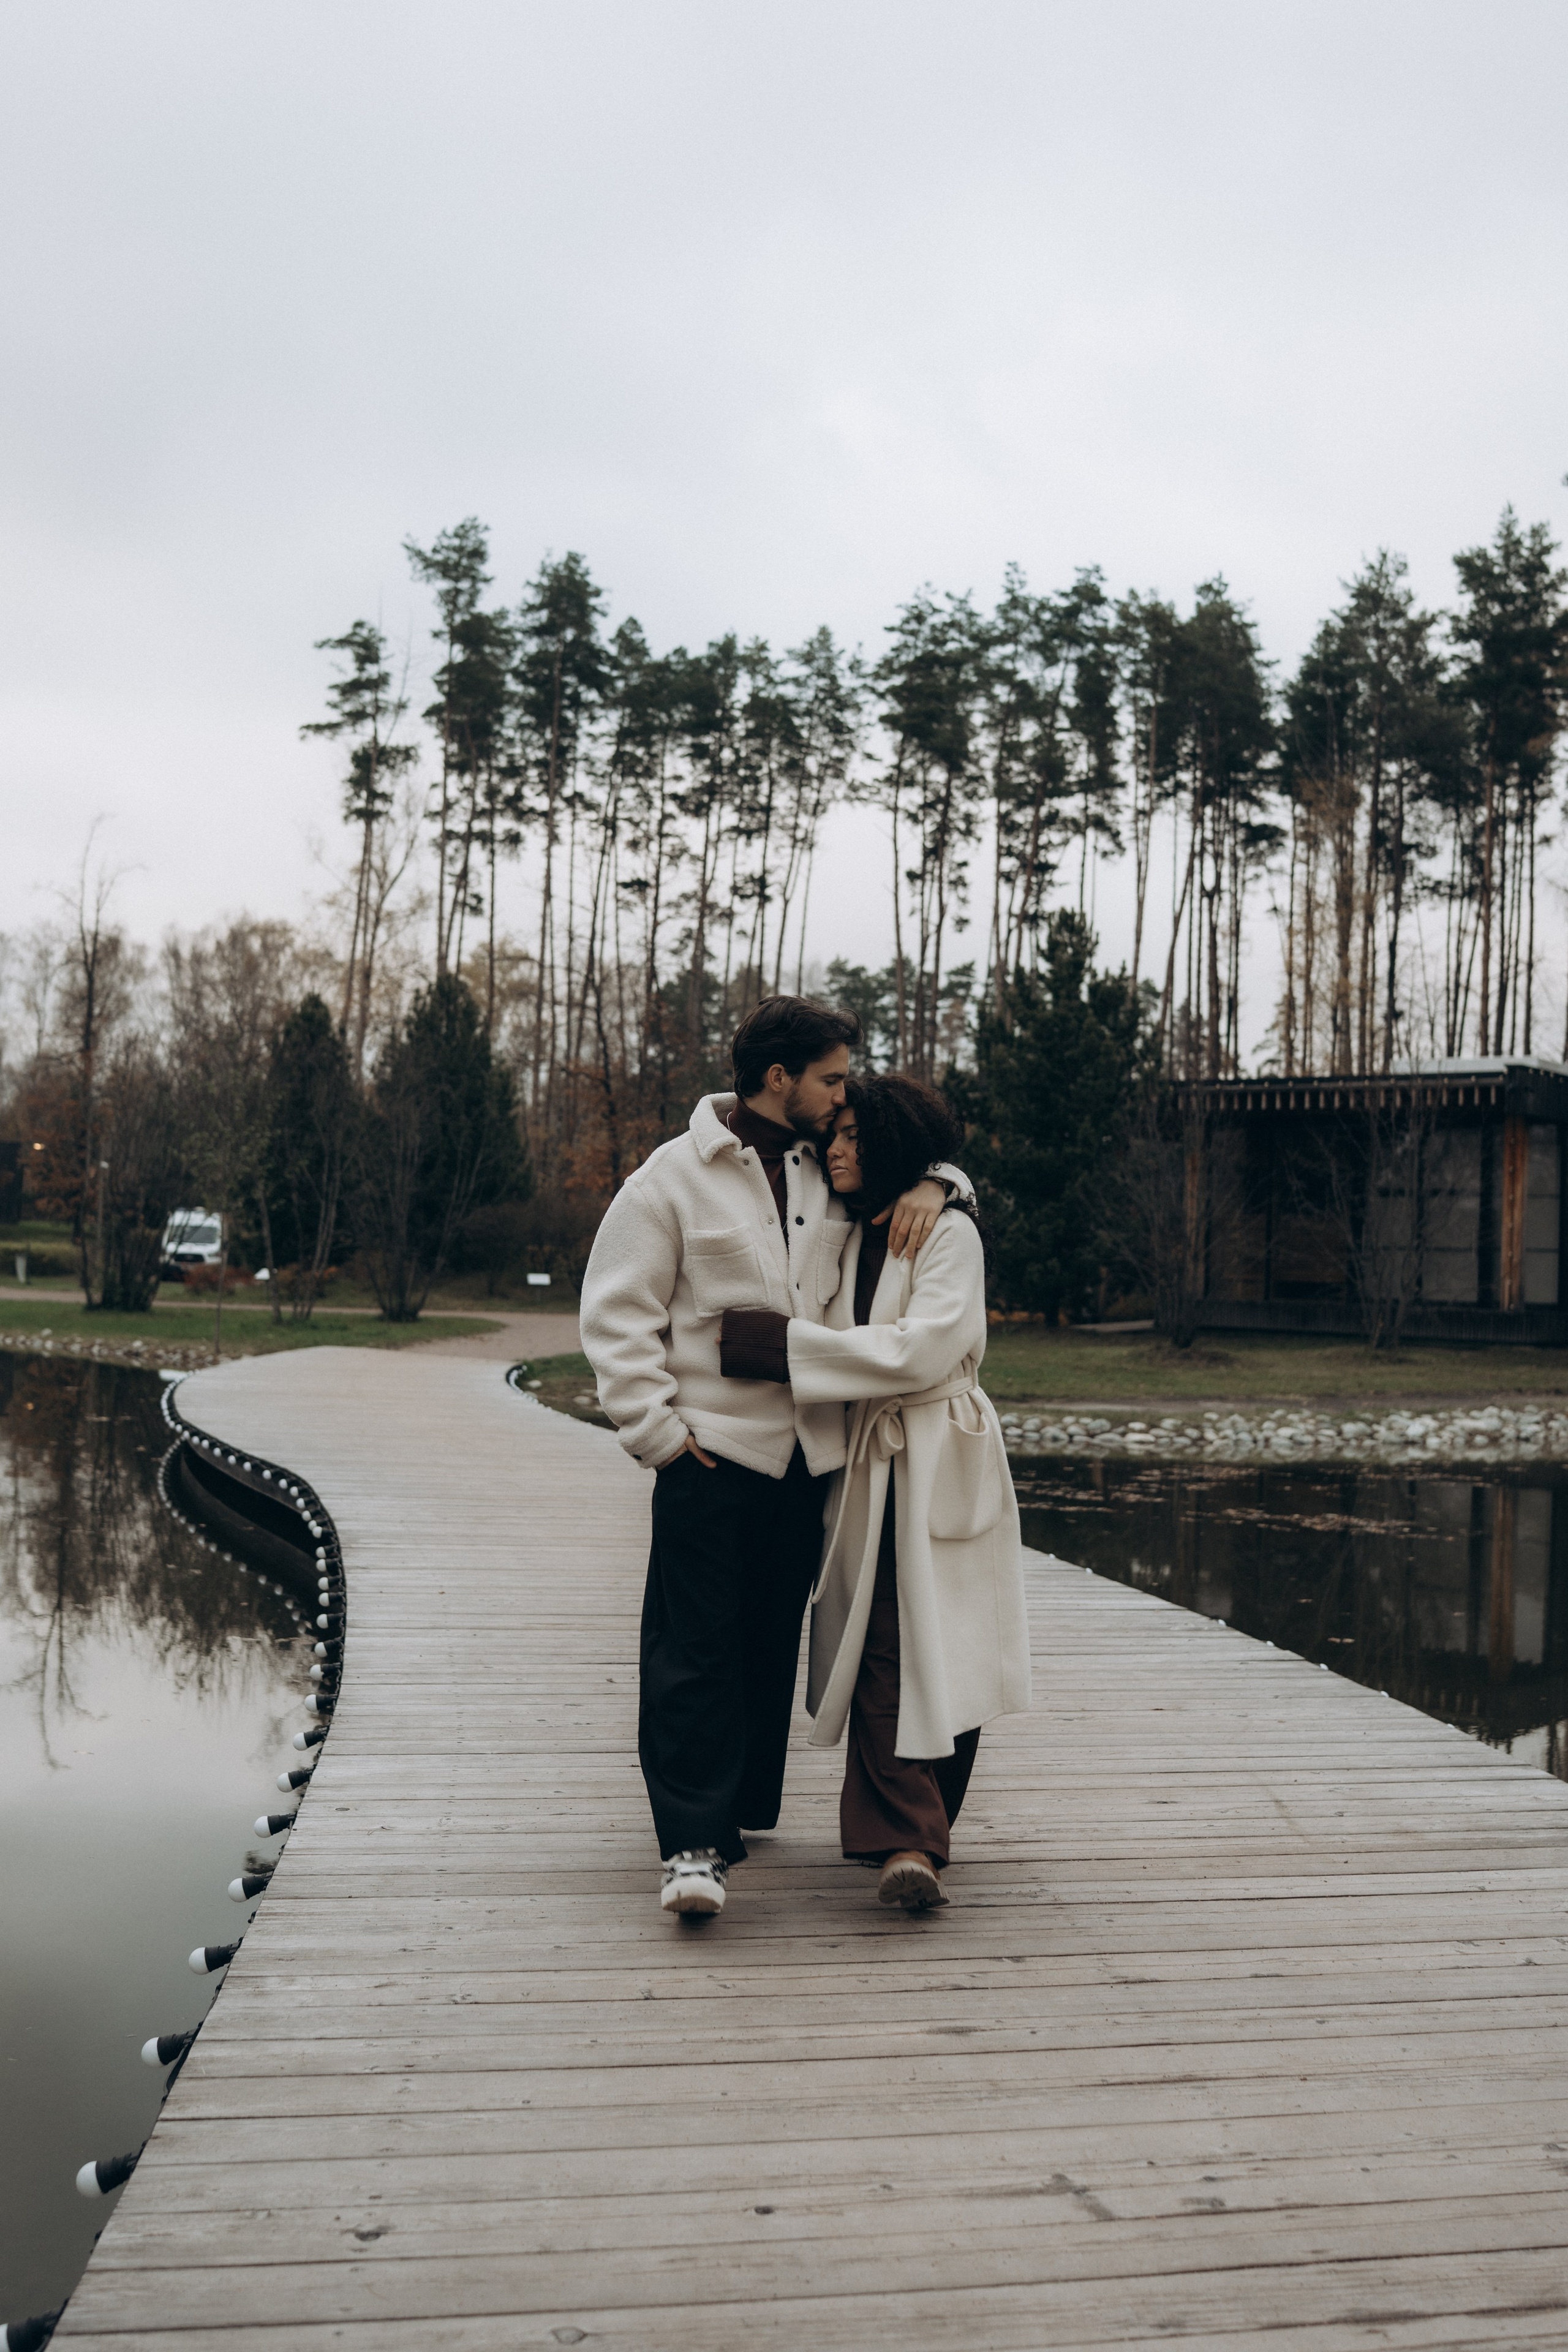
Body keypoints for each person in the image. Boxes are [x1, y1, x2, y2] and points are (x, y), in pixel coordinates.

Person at [579, 997, 974, 1920]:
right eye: (833, 1076)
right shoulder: (669, 1181)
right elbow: (616, 1317)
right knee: (693, 1650)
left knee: (768, 1647)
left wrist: (943, 1183)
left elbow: (911, 1156)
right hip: (707, 1455)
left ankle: (743, 1809)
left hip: (813, 1464)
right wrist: (661, 1439)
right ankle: (693, 1846)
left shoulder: (829, 1169)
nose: (845, 1092)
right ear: (778, 1077)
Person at [718, 1074, 1028, 1910]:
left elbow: (922, 1351)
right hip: (872, 1462)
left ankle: (918, 1829)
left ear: (892, 1141)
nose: (838, 1151)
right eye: (834, 1138)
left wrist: (783, 1349)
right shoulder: (852, 1232)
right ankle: (910, 1835)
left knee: (939, 1639)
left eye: (855, 1136)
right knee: (890, 1637)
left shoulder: (948, 1233)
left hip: (936, 1450)